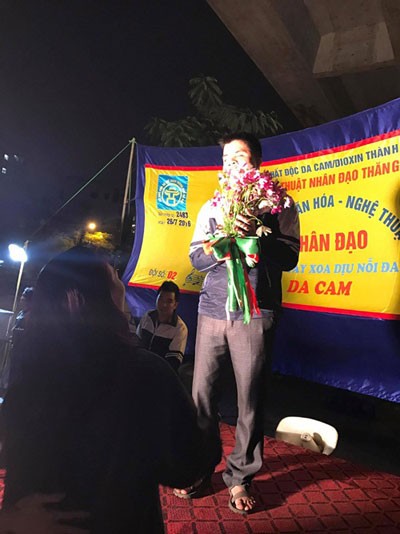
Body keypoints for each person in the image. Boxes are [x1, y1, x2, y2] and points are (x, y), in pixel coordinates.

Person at [1, 246, 219, 533]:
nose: (122, 286)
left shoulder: (27, 375)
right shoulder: (146, 373)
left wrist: (8, 520)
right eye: (114, 278)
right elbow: (187, 467)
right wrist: (206, 417)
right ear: (81, 298)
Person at [174, 133, 300, 513]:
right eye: (226, 158)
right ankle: (200, 468)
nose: (231, 164)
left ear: (256, 163)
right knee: (202, 396)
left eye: (239, 157)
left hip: (256, 311)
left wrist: (253, 239)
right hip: (213, 309)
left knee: (250, 398)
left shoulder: (279, 203)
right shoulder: (212, 206)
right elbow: (196, 258)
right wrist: (222, 243)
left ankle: (240, 477)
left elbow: (290, 256)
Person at [136, 281, 188, 372]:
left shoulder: (180, 328)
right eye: (161, 299)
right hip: (138, 367)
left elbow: (173, 362)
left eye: (169, 301)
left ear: (175, 305)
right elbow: (137, 341)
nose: (164, 304)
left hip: (159, 373)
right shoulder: (148, 316)